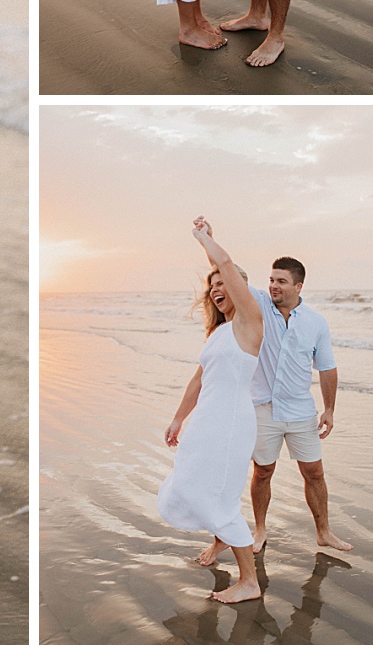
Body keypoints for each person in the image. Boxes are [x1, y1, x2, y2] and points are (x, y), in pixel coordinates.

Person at [198, 256, 350, 564]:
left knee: (314, 472)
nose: (273, 286)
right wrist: (208, 241)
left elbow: (327, 367)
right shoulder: (258, 306)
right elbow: (227, 272)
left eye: (281, 281)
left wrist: (329, 409)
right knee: (263, 472)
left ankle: (324, 531)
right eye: (271, 280)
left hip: (300, 411)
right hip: (261, 409)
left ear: (298, 285)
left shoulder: (315, 322)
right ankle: (260, 529)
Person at [158, 217, 264, 604]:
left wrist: (205, 240)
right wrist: (178, 418)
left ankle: (249, 581)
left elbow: (229, 266)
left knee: (216, 494)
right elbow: (199, 380)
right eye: (212, 286)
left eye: (223, 284)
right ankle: (222, 540)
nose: (216, 290)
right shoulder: (220, 332)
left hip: (231, 425)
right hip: (208, 422)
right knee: (195, 483)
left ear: (241, 288)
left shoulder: (251, 323)